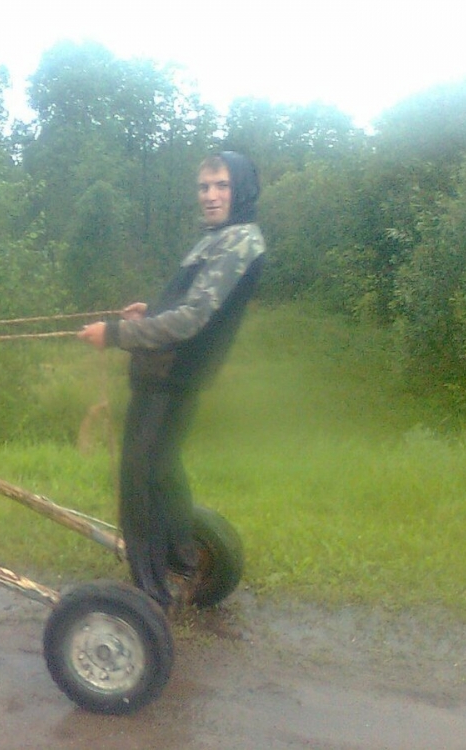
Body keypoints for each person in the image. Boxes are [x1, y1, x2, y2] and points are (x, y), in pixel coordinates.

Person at [77, 151, 266, 611]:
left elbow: (191, 320)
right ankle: (182, 557)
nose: (211, 196)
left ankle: (149, 591)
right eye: (204, 187)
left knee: (140, 477)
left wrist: (116, 334)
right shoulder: (220, 238)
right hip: (172, 376)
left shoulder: (238, 242)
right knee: (162, 468)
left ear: (241, 189)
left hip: (170, 378)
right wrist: (151, 312)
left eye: (221, 186)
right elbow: (190, 307)